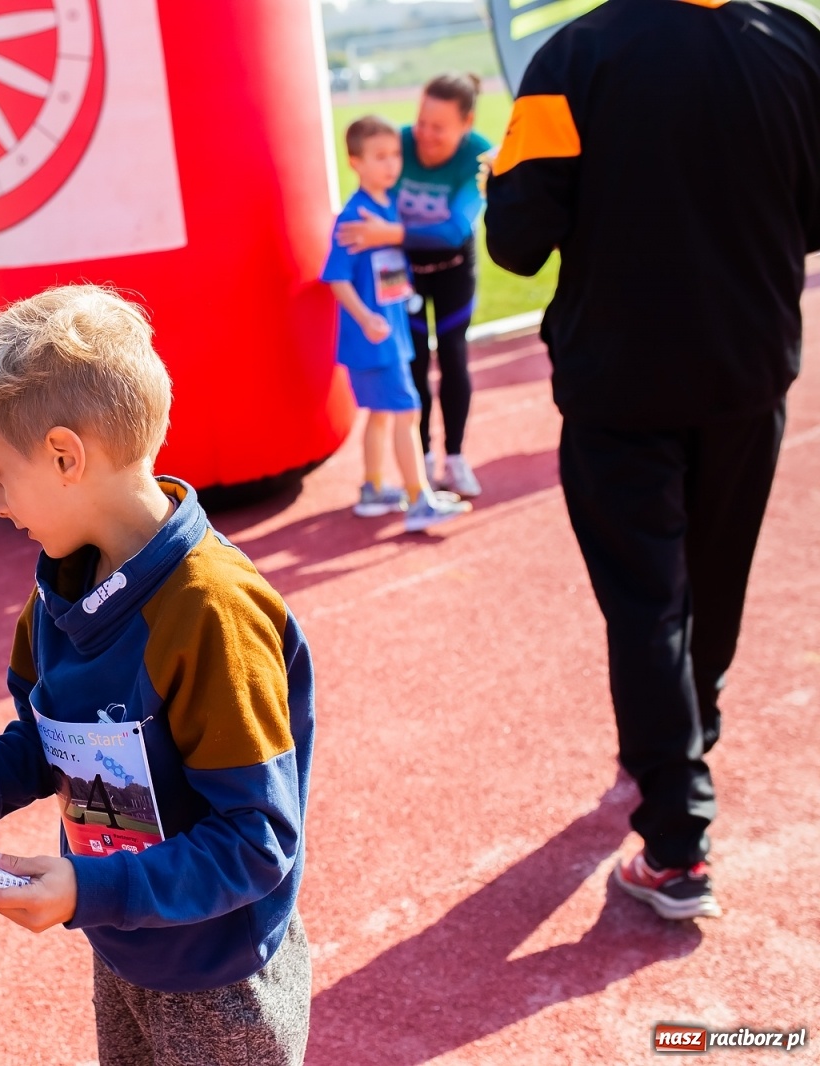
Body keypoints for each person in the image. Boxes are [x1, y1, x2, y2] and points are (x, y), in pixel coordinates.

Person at [0, 286, 316, 1066]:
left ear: (64, 457)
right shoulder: (59, 595)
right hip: (124, 944)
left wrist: (91, 890)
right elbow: (45, 741)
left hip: (220, 979)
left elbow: (256, 841)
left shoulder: (212, 612)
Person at [485, 0, 820, 920]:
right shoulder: (797, 44)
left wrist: (501, 178)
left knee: (647, 606)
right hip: (749, 371)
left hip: (621, 386)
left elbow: (516, 242)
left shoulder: (574, 57)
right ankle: (687, 736)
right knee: (715, 580)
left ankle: (676, 840)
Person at [336, 73, 493, 499]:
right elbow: (368, 192)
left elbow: (456, 229)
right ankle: (420, 462)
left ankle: (454, 458)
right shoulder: (399, 142)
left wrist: (390, 234)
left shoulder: (478, 155)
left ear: (466, 124)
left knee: (454, 355)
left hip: (453, 269)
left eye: (439, 127)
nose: (424, 134)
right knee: (415, 361)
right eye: (421, 122)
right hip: (405, 272)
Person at [323, 115, 471, 533]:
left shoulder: (387, 206)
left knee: (382, 414)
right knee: (408, 411)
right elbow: (336, 277)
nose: (391, 165)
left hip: (393, 333)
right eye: (380, 157)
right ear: (355, 162)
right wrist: (367, 317)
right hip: (375, 340)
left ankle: (373, 488)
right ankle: (419, 499)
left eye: (394, 156)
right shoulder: (353, 218)